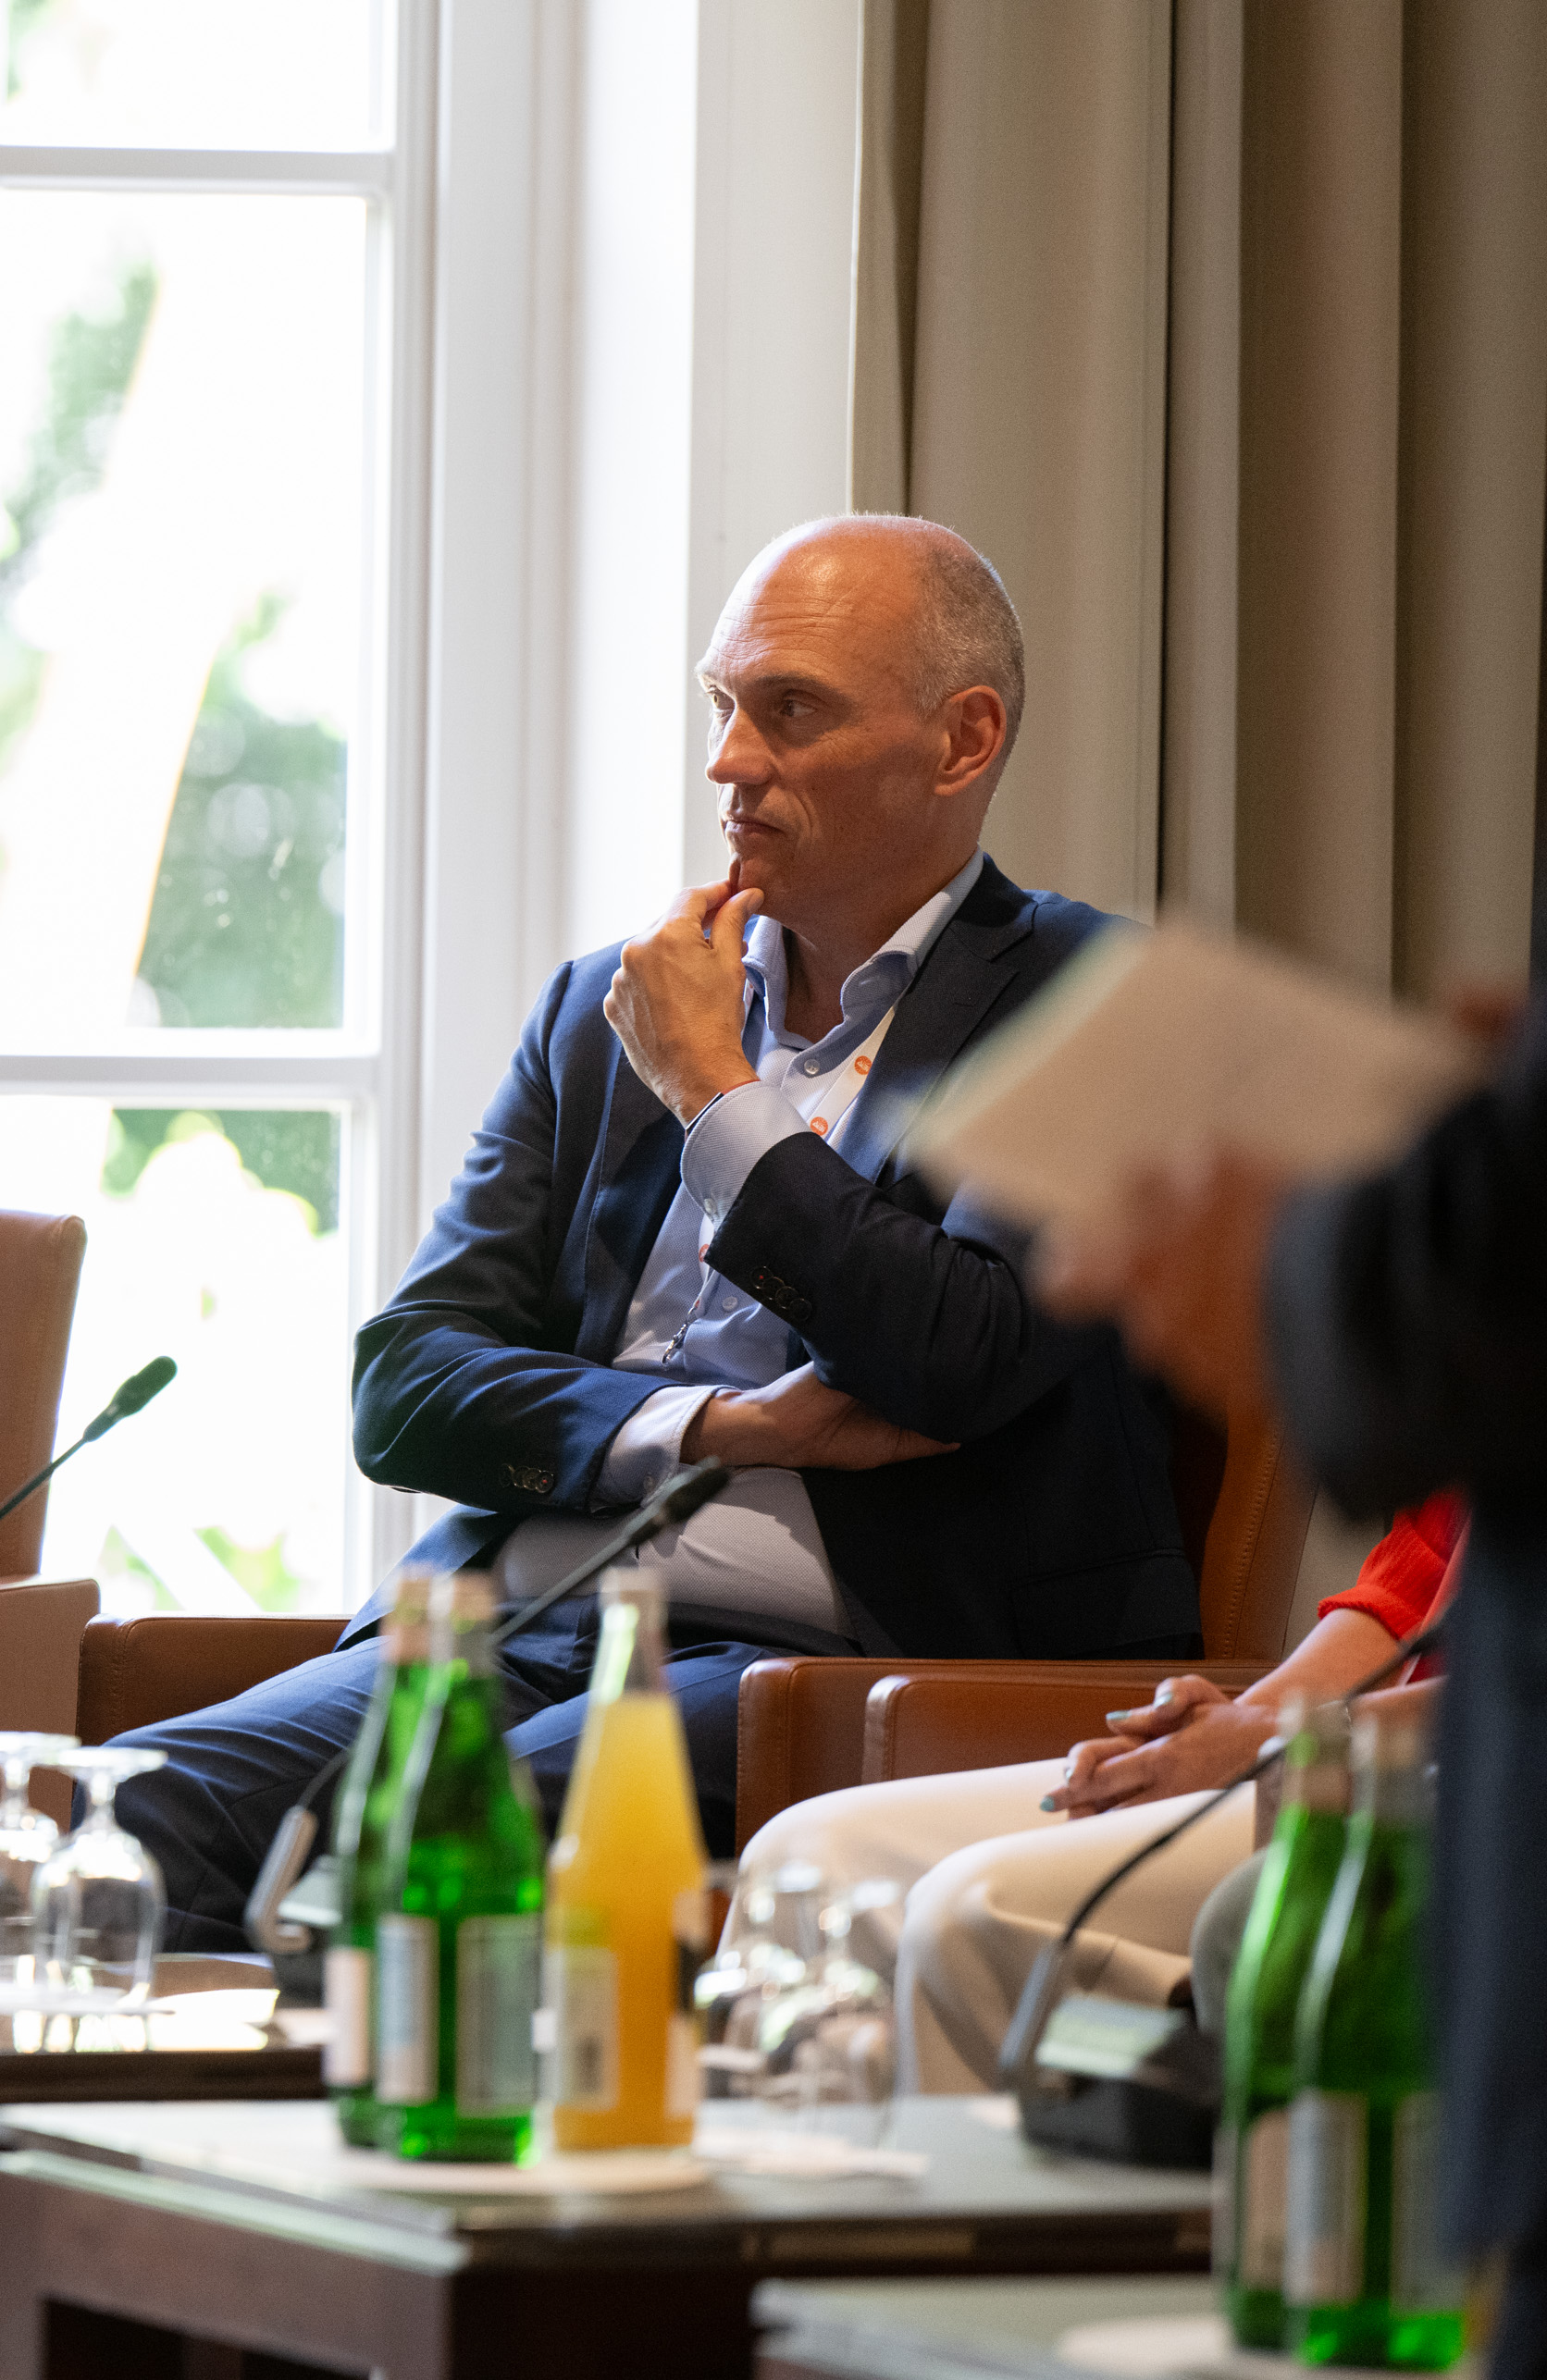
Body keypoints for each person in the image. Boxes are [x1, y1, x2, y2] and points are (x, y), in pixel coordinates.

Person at [115, 512, 1201, 1947]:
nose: (728, 761)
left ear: (962, 741)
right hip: (516, 1612)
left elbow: (956, 1351)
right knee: (123, 1819)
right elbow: (405, 1382)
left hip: (838, 1652)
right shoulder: (605, 1006)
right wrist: (716, 1428)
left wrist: (716, 1095)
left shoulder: (1094, 998)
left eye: (790, 710)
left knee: (437, 1839)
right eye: (721, 704)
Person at [1044, 995, 1543, 2369]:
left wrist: (1296, 1248)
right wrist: (1259, 1713)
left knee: (1077, 1911)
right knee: (850, 1854)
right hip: (1377, 1739)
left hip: (1434, 1762)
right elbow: (1407, 1571)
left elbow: (1468, 1273)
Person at [725, 1493, 1458, 2089]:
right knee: (808, 1853)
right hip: (1331, 1741)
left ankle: (1001, 2228)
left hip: (1448, 1784)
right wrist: (1232, 1728)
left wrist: (1293, 1736)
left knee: (979, 1906)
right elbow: (1405, 1588)